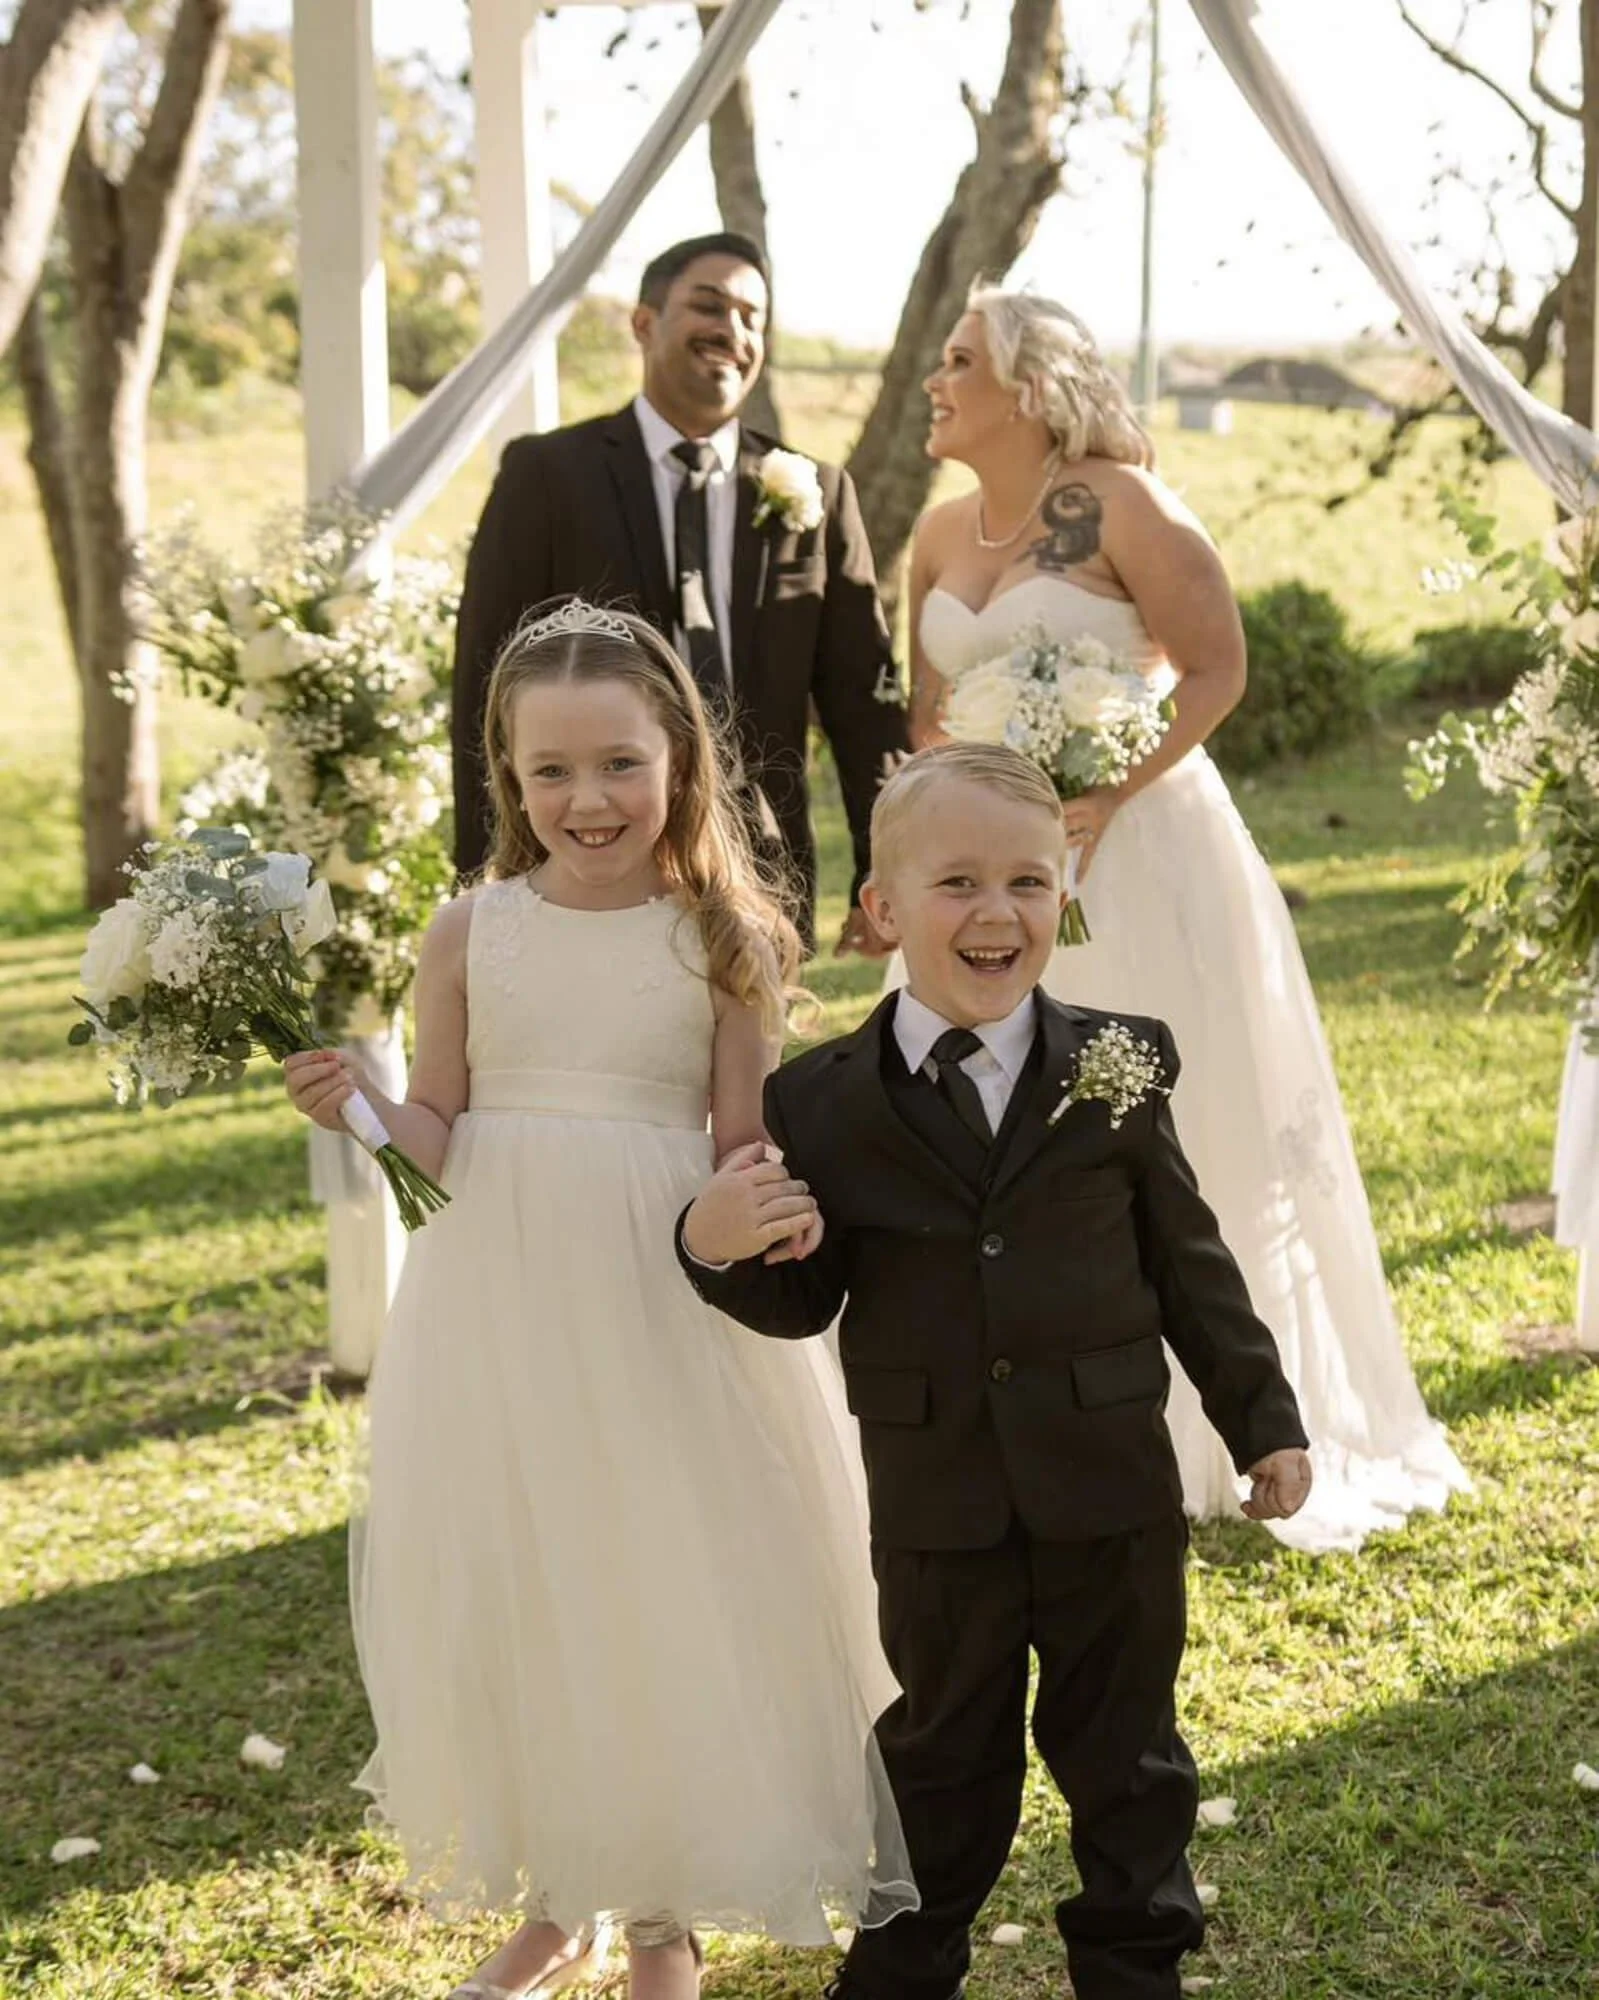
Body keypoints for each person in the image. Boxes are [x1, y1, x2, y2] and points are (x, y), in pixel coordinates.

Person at [287, 600, 915, 2000]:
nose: (587, 799)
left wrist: (760, 1211)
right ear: (507, 780)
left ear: (679, 763)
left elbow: (740, 1143)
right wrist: (368, 1115)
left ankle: (655, 1917)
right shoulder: (470, 931)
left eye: (619, 764)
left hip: (657, 1296)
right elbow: (440, 1142)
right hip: (500, 1299)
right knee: (534, 1573)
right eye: (550, 772)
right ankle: (559, 1889)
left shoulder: (723, 935)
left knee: (656, 1574)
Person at [678, 742, 1312, 2000]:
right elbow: (804, 1296)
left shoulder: (1121, 1060)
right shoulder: (821, 1101)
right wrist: (716, 1246)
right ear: (883, 908)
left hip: (1108, 1487)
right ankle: (903, 1968)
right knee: (941, 1760)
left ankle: (1135, 1970)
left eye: (1028, 881)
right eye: (956, 881)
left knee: (1128, 1756)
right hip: (939, 1502)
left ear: (1064, 897)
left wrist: (1263, 1420)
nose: (995, 911)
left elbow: (1192, 1266)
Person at [898, 286, 1469, 1553]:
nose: (935, 379)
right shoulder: (938, 532)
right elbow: (928, 715)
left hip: (1135, 848)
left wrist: (1107, 786)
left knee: (1166, 1121)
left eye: (959, 359)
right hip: (988, 867)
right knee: (988, 1122)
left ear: (1029, 385)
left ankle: (1222, 1418)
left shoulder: (1121, 501)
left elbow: (1215, 667)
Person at [450, 230, 909, 955]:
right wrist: (489, 877)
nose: (734, 330)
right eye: (710, 305)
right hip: (584, 856)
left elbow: (864, 702)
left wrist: (883, 869)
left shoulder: (817, 491)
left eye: (753, 317)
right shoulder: (546, 475)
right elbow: (484, 683)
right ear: (644, 323)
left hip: (759, 864)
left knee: (749, 1071)